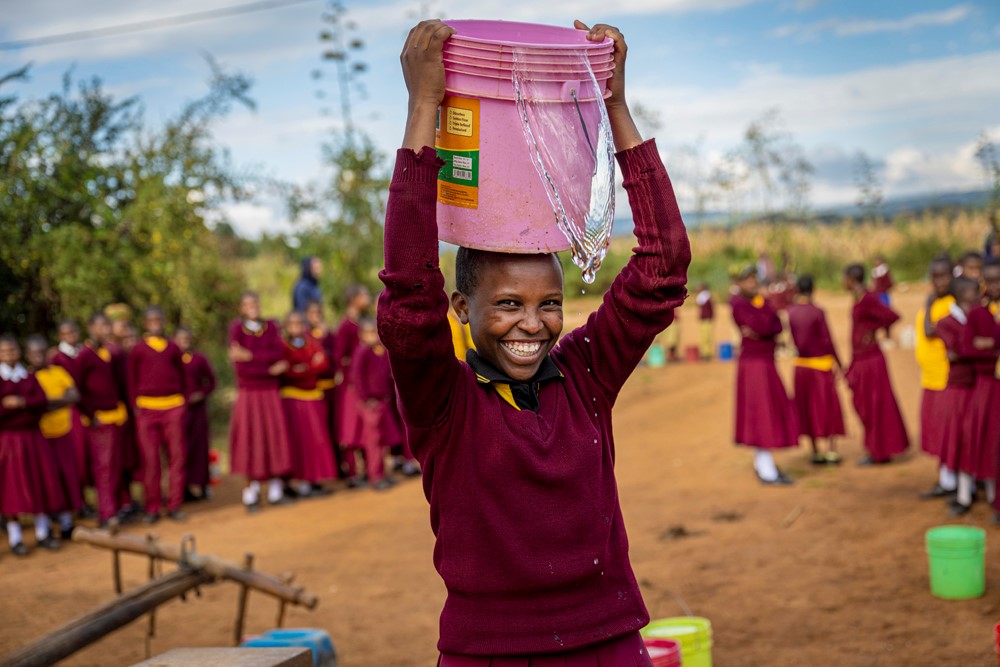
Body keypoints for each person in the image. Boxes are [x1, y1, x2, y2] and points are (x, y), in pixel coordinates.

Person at [380, 20, 689, 663]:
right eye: (508, 305)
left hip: (607, 641)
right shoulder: (445, 403)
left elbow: (662, 269)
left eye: (550, 303)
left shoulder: (585, 378)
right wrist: (423, 108)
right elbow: (410, 297)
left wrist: (614, 104)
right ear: (461, 308)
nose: (533, 323)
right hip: (486, 652)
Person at [935, 277, 998, 515]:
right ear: (962, 294)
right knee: (966, 442)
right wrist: (981, 344)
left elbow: (974, 347)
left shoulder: (983, 315)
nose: (981, 294)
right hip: (961, 390)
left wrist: (981, 344)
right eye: (975, 291)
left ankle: (990, 494)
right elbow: (957, 352)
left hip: (981, 387)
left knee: (987, 441)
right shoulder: (947, 322)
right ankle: (963, 495)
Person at [730, 267, 799, 484]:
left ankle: (763, 464)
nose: (752, 283)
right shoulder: (738, 304)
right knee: (761, 413)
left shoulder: (759, 302)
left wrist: (764, 320)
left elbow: (776, 325)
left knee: (766, 411)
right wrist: (764, 321)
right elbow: (761, 324)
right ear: (739, 283)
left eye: (753, 278)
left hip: (765, 362)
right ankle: (765, 468)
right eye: (746, 279)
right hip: (754, 364)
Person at [0, 336, 66, 555]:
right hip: (9, 442)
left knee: (40, 484)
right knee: (11, 489)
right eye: (4, 350)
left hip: (33, 438)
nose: (9, 353)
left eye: (12, 349)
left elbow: (41, 401)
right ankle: (15, 537)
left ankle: (42, 533)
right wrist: (22, 406)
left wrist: (20, 403)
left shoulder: (27, 376)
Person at [229, 292, 293, 512]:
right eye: (247, 304)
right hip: (249, 393)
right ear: (241, 308)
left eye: (254, 303)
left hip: (270, 392)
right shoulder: (236, 329)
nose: (252, 307)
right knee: (251, 439)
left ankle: (276, 492)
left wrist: (252, 357)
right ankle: (251, 494)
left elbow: (279, 354)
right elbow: (242, 370)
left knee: (273, 438)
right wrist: (268, 367)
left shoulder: (272, 326)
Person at [842, 263, 909, 465]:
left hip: (871, 360)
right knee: (863, 404)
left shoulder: (869, 298)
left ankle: (880, 452)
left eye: (844, 278)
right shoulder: (859, 298)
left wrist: (874, 330)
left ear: (852, 280)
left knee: (875, 404)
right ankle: (876, 447)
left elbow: (893, 316)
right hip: (861, 358)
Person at [127, 307, 188, 524]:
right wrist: (136, 407)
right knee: (151, 461)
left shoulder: (173, 348)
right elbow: (131, 380)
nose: (155, 323)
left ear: (163, 321)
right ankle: (152, 507)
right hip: (147, 411)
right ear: (145, 323)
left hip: (173, 407)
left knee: (176, 457)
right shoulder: (138, 350)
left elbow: (183, 377)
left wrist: (182, 404)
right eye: (150, 320)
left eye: (158, 319)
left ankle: (174, 505)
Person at [25, 336, 83, 539]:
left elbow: (74, 396)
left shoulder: (58, 372)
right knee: (46, 482)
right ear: (28, 356)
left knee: (67, 478)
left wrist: (47, 403)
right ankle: (45, 528)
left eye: (42, 352)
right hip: (40, 438)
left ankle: (67, 523)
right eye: (34, 353)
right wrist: (57, 401)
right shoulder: (27, 377)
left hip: (63, 433)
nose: (39, 357)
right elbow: (32, 406)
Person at [77, 313, 129, 528]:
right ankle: (106, 514)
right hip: (98, 420)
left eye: (107, 326)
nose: (105, 330)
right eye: (100, 326)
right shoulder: (85, 355)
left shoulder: (112, 352)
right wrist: (90, 415)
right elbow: (78, 388)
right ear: (90, 327)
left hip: (115, 416)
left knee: (116, 465)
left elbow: (120, 382)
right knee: (103, 467)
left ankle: (117, 507)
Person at [787, 275, 845, 465]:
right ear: (813, 289)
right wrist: (840, 363)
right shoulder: (817, 312)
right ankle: (831, 451)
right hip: (820, 365)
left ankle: (815, 451)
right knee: (827, 406)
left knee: (807, 407)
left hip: (801, 367)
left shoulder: (792, 312)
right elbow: (827, 340)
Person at [280, 311, 337, 498]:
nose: (296, 326)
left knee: (316, 440)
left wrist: (305, 369)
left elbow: (324, 364)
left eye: (299, 322)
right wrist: (308, 368)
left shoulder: (311, 342)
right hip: (293, 399)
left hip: (313, 397)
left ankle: (314, 481)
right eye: (292, 323)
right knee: (299, 441)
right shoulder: (283, 346)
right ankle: (301, 483)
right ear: (286, 326)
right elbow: (287, 371)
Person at [914, 257, 957, 498]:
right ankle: (945, 478)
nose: (938, 281)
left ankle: (952, 481)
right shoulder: (933, 302)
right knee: (936, 432)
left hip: (945, 378)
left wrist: (929, 305)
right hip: (930, 378)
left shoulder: (952, 304)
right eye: (934, 276)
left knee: (947, 432)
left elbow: (931, 331)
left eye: (943, 276)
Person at [348, 317, 405, 490]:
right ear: (362, 336)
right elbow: (357, 377)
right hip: (371, 404)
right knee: (373, 442)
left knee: (384, 441)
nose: (373, 336)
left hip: (383, 401)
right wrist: (366, 399)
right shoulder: (362, 352)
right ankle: (375, 476)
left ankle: (384, 473)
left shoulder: (381, 351)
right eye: (369, 333)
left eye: (375, 332)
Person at [332, 284, 371, 485]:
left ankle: (368, 470)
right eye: (363, 294)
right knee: (350, 429)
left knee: (364, 428)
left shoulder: (362, 324)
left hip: (362, 384)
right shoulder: (346, 326)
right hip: (350, 386)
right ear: (353, 298)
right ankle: (352, 473)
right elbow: (339, 357)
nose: (367, 297)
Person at [175, 327, 216, 502]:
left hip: (198, 411)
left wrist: (202, 393)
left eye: (187, 338)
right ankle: (182, 488)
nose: (185, 341)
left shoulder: (199, 358)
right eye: (181, 338)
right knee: (181, 449)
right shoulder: (171, 359)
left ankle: (203, 485)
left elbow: (211, 381)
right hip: (178, 410)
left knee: (200, 447)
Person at [304, 299, 343, 478]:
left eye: (318, 313)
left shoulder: (329, 334)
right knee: (321, 431)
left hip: (331, 387)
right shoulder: (304, 336)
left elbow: (336, 356)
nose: (316, 317)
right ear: (307, 316)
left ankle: (340, 467)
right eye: (312, 314)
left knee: (336, 428)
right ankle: (328, 469)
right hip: (314, 390)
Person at [696, 282, 715, 361]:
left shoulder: (706, 296)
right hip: (704, 319)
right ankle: (706, 352)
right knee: (705, 337)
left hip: (707, 319)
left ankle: (708, 353)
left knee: (707, 336)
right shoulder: (703, 297)